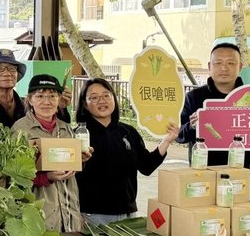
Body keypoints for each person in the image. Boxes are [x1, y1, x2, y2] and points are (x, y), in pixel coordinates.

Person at [74, 78, 179, 226]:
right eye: (94, 97)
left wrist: (167, 140)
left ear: (113, 98)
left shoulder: (128, 132)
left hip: (127, 213)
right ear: (85, 104)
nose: (102, 101)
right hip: (92, 215)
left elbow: (146, 166)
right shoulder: (79, 135)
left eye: (106, 95)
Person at [177, 42, 250, 194]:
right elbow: (179, 135)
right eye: (218, 63)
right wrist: (192, 126)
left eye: (230, 63)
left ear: (240, 67)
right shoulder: (194, 98)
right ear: (209, 66)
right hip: (203, 176)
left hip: (242, 176)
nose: (224, 68)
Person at [12, 75, 87, 232]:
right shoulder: (20, 131)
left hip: (69, 215)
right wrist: (46, 177)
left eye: (52, 96)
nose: (46, 102)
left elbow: (71, 167)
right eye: (39, 96)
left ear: (59, 99)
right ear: (30, 100)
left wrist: (81, 159)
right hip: (38, 218)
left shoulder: (66, 129)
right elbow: (13, 178)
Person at [0, 49, 73, 130]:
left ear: (17, 75)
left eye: (12, 69)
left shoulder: (28, 104)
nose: (7, 73)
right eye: (0, 69)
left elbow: (55, 129)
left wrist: (61, 107)